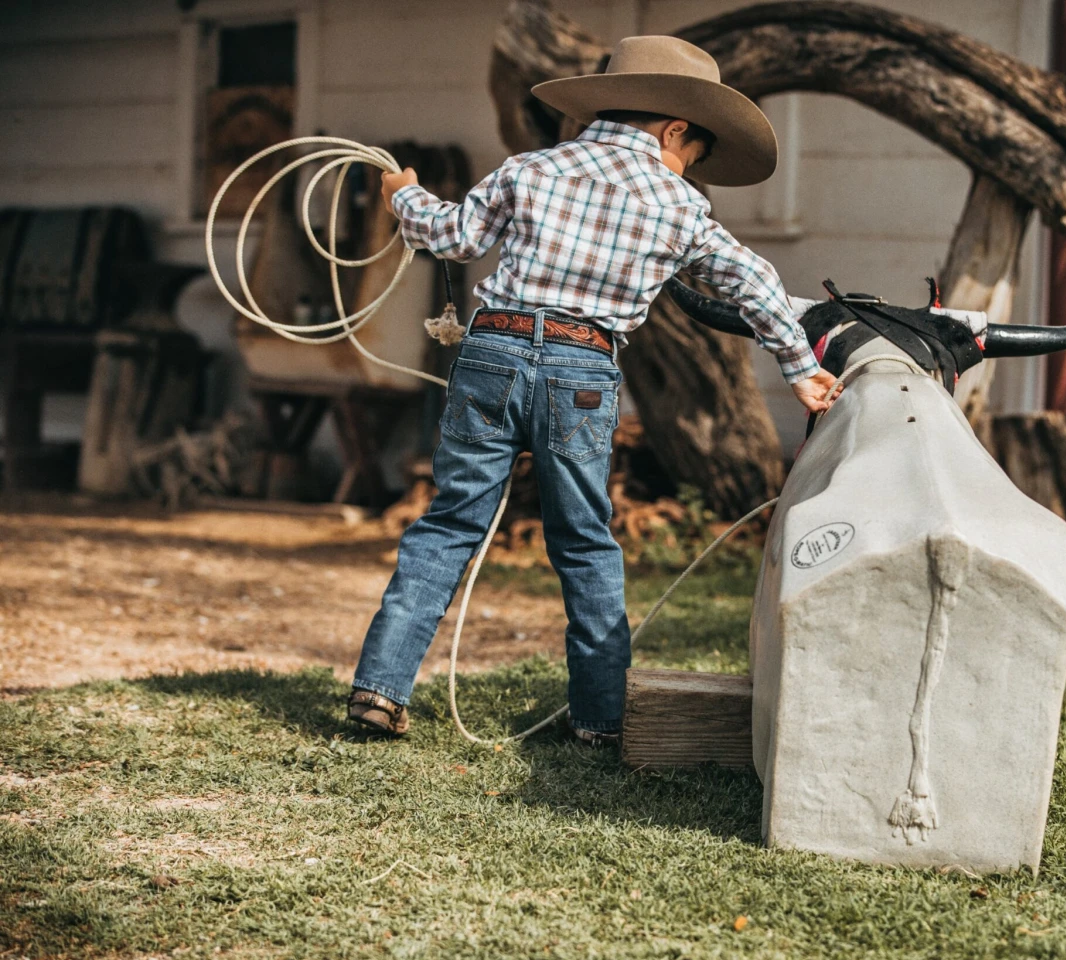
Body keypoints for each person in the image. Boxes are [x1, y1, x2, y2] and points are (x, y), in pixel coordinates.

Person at [345, 35, 841, 744]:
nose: (690, 167)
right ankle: (601, 718)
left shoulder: (532, 168)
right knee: (582, 541)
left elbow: (452, 236)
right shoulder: (677, 204)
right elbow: (755, 281)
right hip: (581, 366)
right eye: (694, 154)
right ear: (675, 130)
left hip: (491, 352)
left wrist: (404, 195)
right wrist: (801, 367)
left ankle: (379, 691)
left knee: (450, 524)